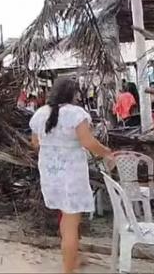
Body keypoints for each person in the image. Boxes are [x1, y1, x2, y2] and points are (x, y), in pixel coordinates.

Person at [29, 78, 113, 273]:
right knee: (70, 225)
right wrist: (107, 152)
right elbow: (88, 142)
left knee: (67, 220)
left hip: (51, 175)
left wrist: (54, 147)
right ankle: (68, 269)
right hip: (71, 176)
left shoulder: (40, 114)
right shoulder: (76, 114)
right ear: (73, 95)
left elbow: (35, 143)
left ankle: (74, 258)